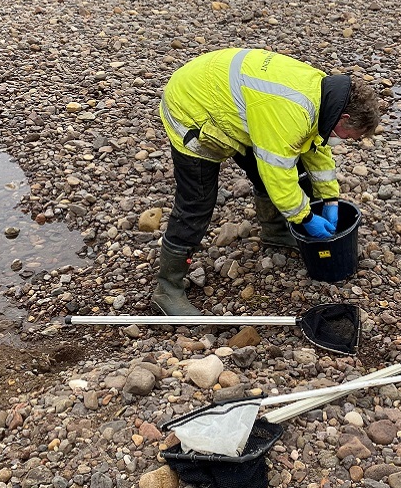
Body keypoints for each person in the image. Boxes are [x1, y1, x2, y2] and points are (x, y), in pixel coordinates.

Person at [154, 48, 381, 315]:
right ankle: (167, 288)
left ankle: (275, 232)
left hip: (237, 104)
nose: (346, 141)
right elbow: (278, 176)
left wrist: (330, 199)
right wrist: (305, 218)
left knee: (281, 165)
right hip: (193, 108)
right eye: (349, 136)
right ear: (344, 118)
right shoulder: (290, 113)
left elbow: (315, 147)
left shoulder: (324, 95)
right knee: (196, 203)